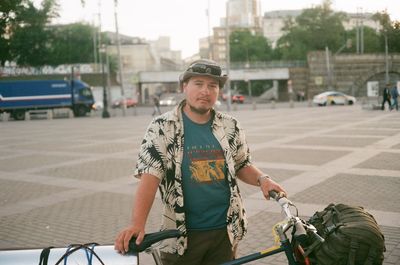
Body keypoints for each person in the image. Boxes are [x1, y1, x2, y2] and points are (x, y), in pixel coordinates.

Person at [114, 59, 287, 265]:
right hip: (181, 236)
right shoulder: (162, 127)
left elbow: (242, 164)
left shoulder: (230, 126)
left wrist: (262, 179)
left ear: (218, 91)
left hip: (225, 233)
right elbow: (150, 177)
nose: (205, 91)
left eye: (212, 86)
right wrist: (137, 224)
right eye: (198, 84)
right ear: (184, 87)